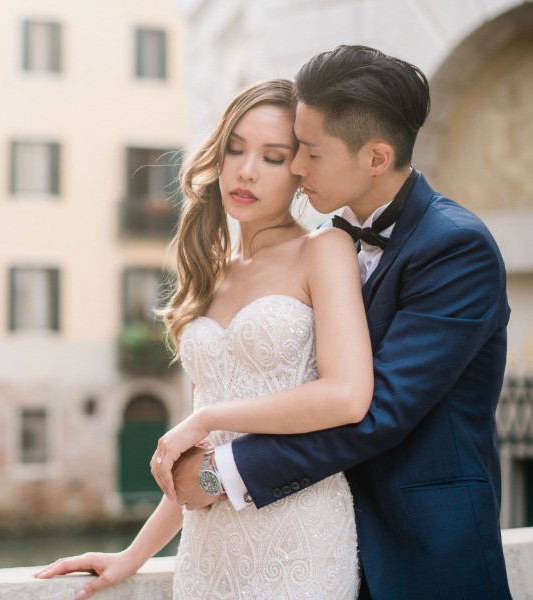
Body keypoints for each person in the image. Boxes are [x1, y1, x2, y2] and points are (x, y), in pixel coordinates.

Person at [156, 45, 513, 599]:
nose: (297, 169)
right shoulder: (331, 242)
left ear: (375, 157)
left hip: (419, 551)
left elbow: (377, 412)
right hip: (310, 533)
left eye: (310, 154)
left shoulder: (455, 248)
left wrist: (218, 473)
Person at [35, 77, 373, 599]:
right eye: (235, 149)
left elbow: (347, 395)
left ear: (300, 171)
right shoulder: (209, 273)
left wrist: (208, 416)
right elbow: (198, 463)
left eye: (273, 156)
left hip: (301, 540)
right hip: (208, 552)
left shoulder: (324, 250)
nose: (246, 169)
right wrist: (132, 555)